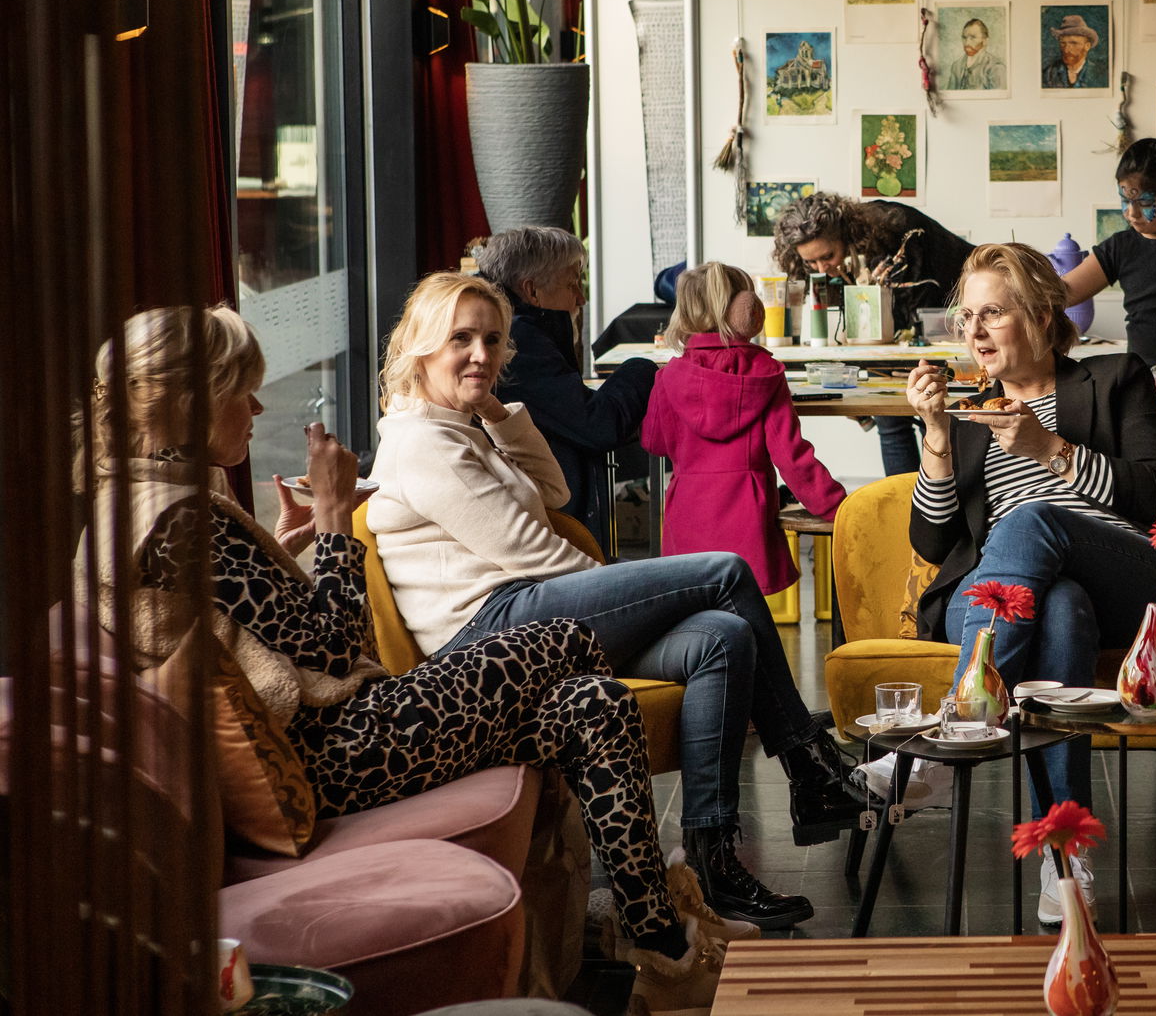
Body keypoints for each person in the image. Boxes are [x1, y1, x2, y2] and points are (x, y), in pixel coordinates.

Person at [82, 306, 725, 1010]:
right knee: (567, 637)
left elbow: (251, 626)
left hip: (339, 736)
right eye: (244, 390)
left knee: (593, 704)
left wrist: (289, 543)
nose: (258, 407)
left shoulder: (145, 501)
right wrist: (332, 518)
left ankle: (659, 949)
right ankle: (661, 923)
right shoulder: (177, 518)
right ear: (192, 402)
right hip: (337, 750)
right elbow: (330, 644)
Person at [365, 272, 863, 928]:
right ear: (422, 345)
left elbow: (553, 491)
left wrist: (499, 413)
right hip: (489, 637)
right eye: (461, 338)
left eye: (491, 339)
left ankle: (714, 861)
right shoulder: (423, 442)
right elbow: (533, 552)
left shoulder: (463, 425)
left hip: (527, 611)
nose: (482, 354)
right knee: (723, 572)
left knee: (722, 635)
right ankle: (808, 764)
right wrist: (633, 594)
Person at [903, 243, 1156, 926]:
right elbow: (933, 543)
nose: (972, 332)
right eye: (965, 316)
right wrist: (938, 432)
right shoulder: (971, 412)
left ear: (1038, 315)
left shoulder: (1114, 377)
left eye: (991, 314)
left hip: (1129, 575)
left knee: (1035, 520)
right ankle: (1062, 854)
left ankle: (957, 728)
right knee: (1060, 608)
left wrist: (1049, 451)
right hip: (1020, 602)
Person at [642, 262, 847, 595]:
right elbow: (792, 456)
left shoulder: (668, 377)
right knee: (745, 611)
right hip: (747, 515)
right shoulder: (764, 372)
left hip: (687, 514)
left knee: (697, 617)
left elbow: (654, 441)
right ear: (746, 308)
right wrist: (838, 507)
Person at [473, 226, 656, 553]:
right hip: (545, 540)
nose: (581, 298)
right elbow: (599, 424)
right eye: (573, 283)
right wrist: (643, 368)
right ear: (532, 291)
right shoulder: (518, 339)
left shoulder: (508, 326)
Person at [773, 192, 974, 475]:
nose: (822, 268)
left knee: (943, 418)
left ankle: (943, 508)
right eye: (812, 262)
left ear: (845, 234)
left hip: (954, 310)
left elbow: (914, 315)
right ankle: (903, 509)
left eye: (827, 256)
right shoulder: (832, 266)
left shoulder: (895, 230)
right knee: (890, 421)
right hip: (921, 326)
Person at [1061, 138, 1156, 365]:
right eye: (1125, 200)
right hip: (1142, 378)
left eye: (1145, 204)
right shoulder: (1120, 247)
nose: (1131, 213)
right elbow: (1063, 293)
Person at [1041, 14, 1108, 90]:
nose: (1066, 50)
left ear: (1087, 46)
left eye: (1074, 43)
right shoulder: (1048, 74)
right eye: (1063, 43)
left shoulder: (1101, 74)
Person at [946, 16, 1006, 91]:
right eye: (964, 38)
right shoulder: (956, 66)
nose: (967, 43)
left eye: (973, 37)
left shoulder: (996, 68)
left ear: (985, 41)